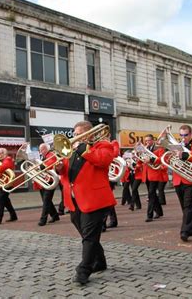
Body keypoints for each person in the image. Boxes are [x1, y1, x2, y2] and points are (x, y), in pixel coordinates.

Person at [57, 121, 116, 285]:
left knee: (89, 237)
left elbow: (102, 161)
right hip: (75, 200)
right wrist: (60, 168)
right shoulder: (72, 150)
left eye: (79, 134)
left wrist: (82, 148)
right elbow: (67, 174)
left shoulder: (104, 145)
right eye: (74, 134)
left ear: (89, 134)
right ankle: (100, 261)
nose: (75, 137)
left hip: (95, 199)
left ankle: (83, 270)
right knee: (87, 235)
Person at [171, 125, 192, 242]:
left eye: (185, 135)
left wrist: (184, 155)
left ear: (190, 134)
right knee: (184, 207)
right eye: (181, 135)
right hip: (178, 179)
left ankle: (184, 231)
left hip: (191, 180)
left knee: (188, 206)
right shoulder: (177, 145)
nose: (183, 137)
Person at [139, 135, 164, 222]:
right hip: (146, 174)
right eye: (146, 141)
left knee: (151, 194)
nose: (147, 142)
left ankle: (149, 215)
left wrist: (151, 160)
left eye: (149, 140)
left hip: (154, 173)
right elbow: (140, 160)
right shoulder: (145, 149)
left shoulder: (159, 148)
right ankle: (159, 212)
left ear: (153, 140)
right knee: (152, 194)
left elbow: (162, 159)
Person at [36, 143, 60, 226]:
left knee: (46, 201)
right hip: (44, 181)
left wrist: (39, 167)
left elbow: (49, 164)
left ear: (46, 149)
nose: (40, 151)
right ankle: (55, 216)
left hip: (50, 181)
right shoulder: (43, 156)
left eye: (41, 149)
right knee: (46, 200)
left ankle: (43, 220)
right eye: (40, 150)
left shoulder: (51, 155)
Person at [0, 148, 18, 224]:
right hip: (3, 184)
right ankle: (13, 216)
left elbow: (5, 166)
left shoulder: (8, 159)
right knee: (6, 201)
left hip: (8, 184)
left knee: (1, 199)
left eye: (0, 153)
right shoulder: (1, 161)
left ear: (4, 153)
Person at [103, 139, 120, 229]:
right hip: (102, 175)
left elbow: (116, 154)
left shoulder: (113, 143)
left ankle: (103, 224)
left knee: (105, 200)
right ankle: (113, 220)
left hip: (110, 176)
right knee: (106, 200)